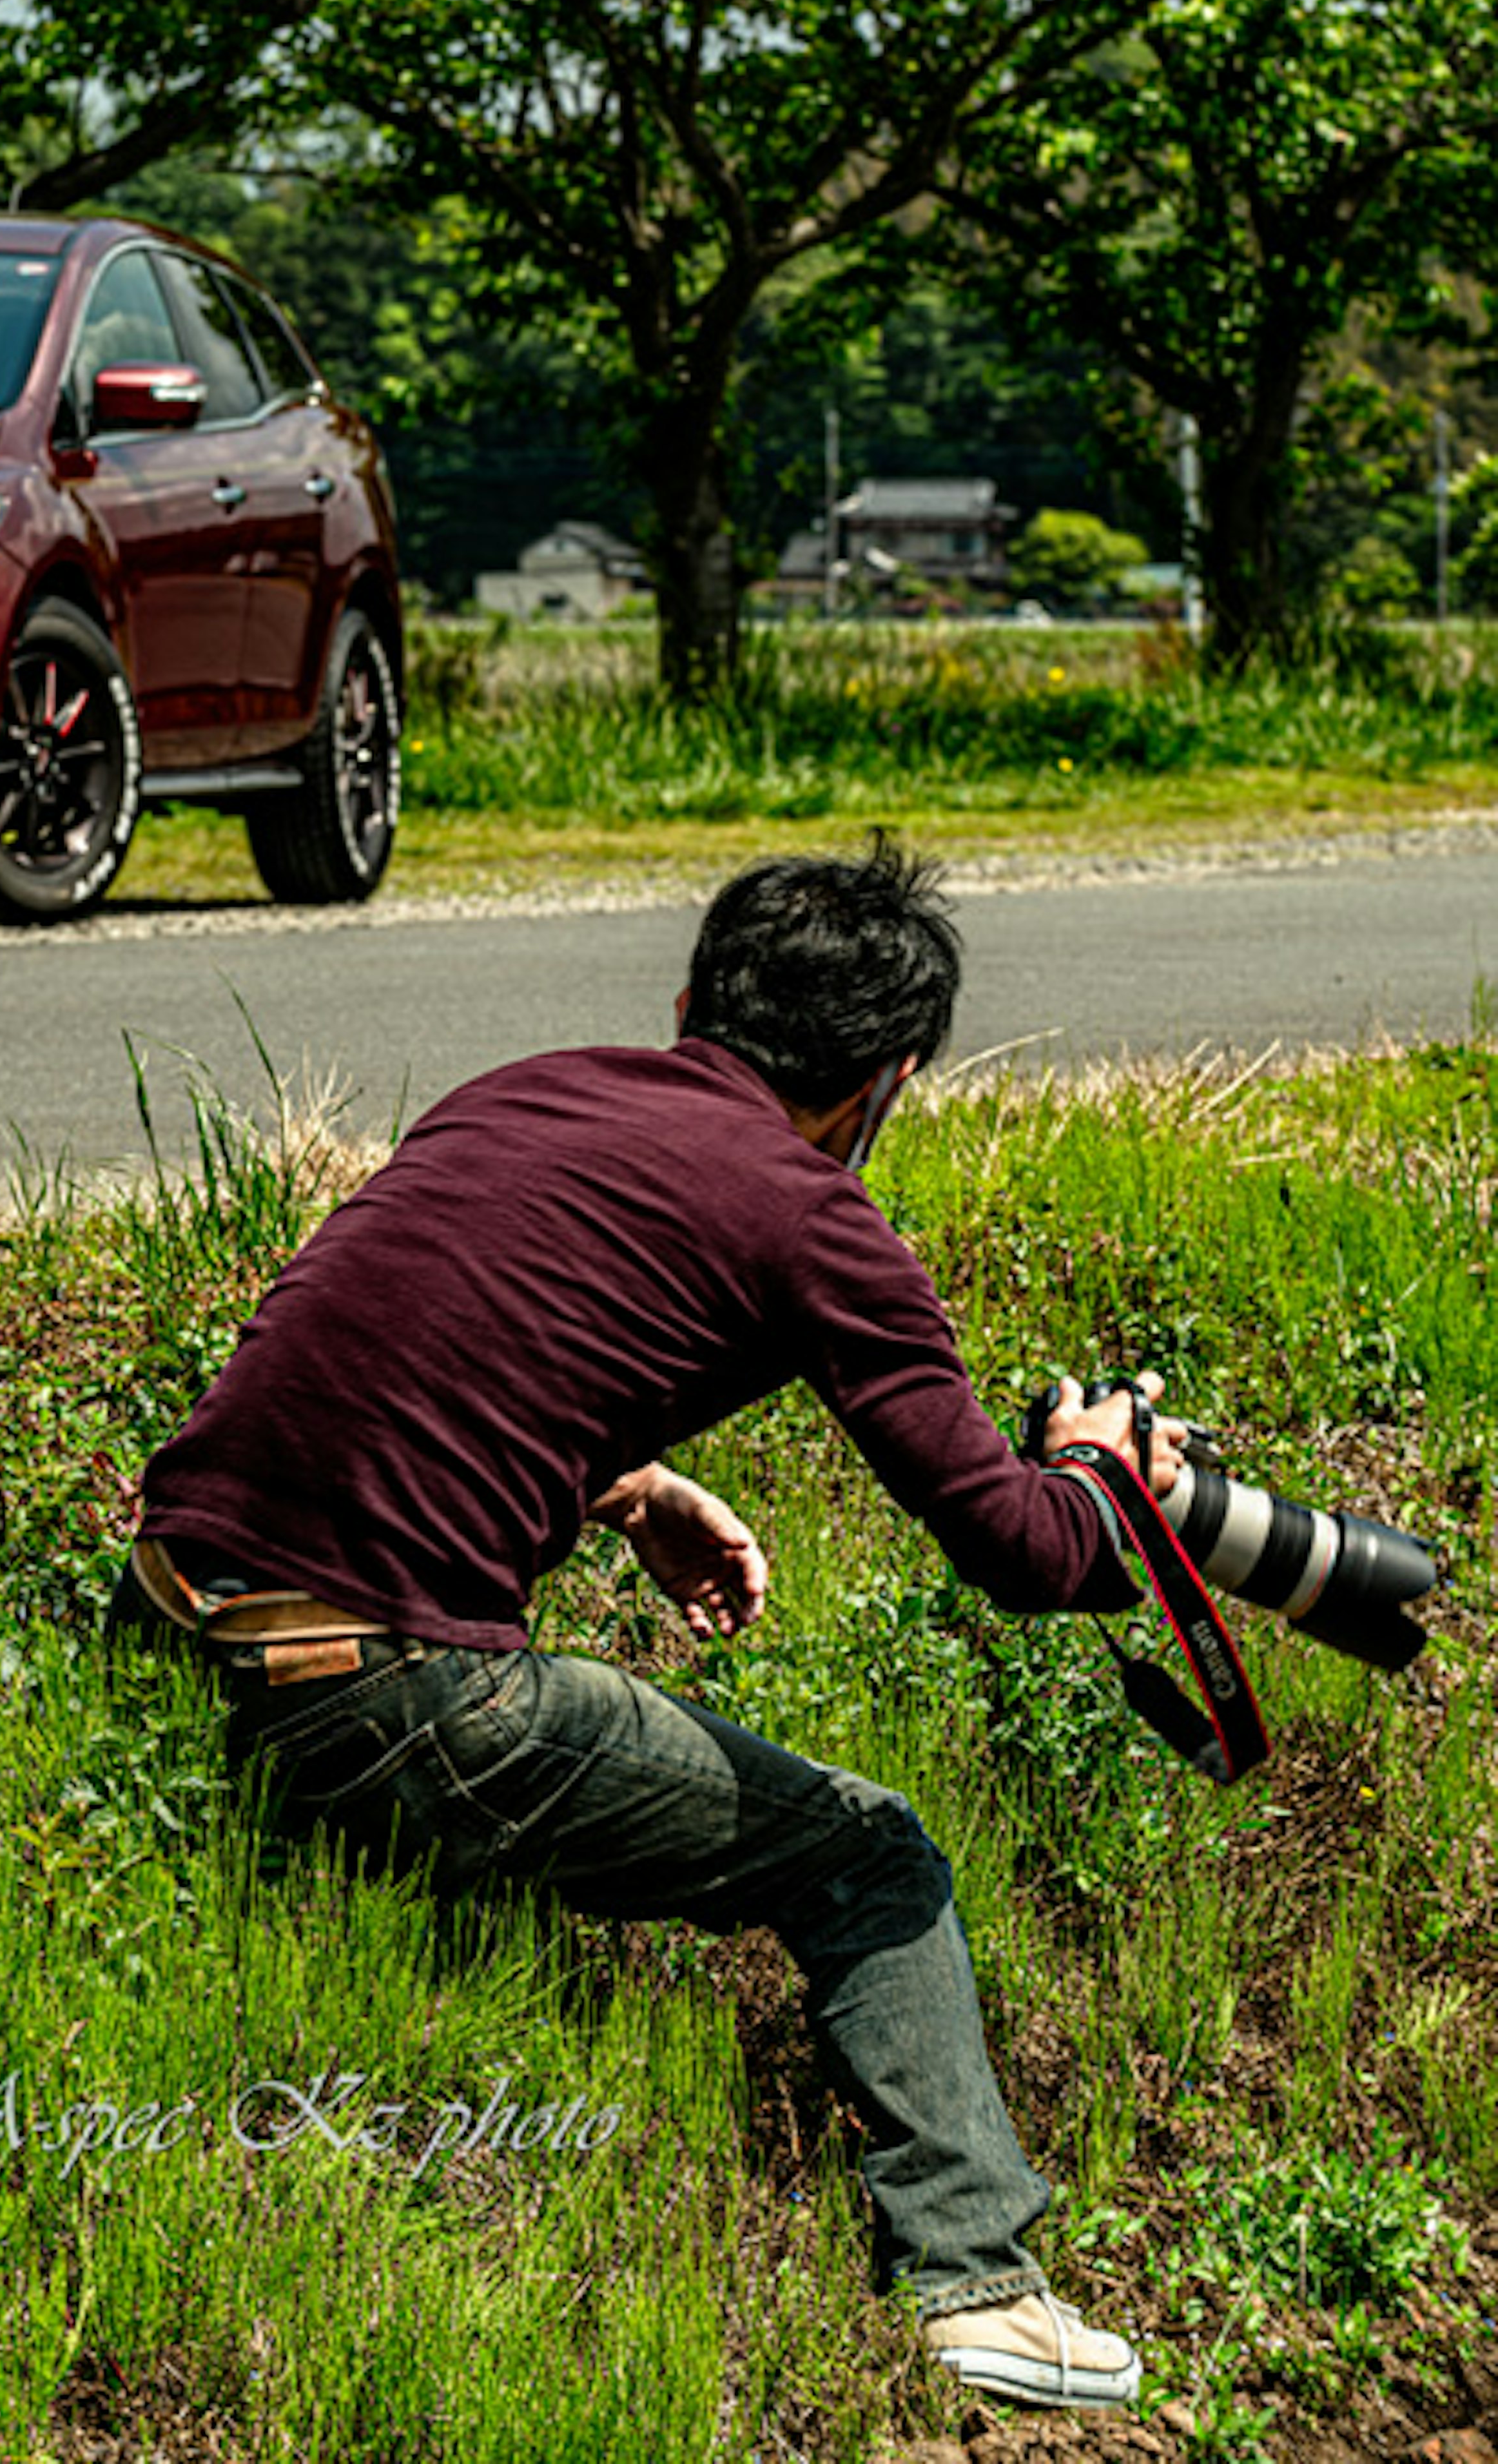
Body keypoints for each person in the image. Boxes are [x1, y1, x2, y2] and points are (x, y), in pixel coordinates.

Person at [106, 833, 1177, 2413]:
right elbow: (1019, 1547)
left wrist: (630, 1487)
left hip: (166, 1603)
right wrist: (1108, 1483)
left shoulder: (523, 1088)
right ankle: (976, 2284)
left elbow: (412, 1350)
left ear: (691, 998)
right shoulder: (814, 1214)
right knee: (870, 1853)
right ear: (886, 1080)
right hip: (386, 1679)